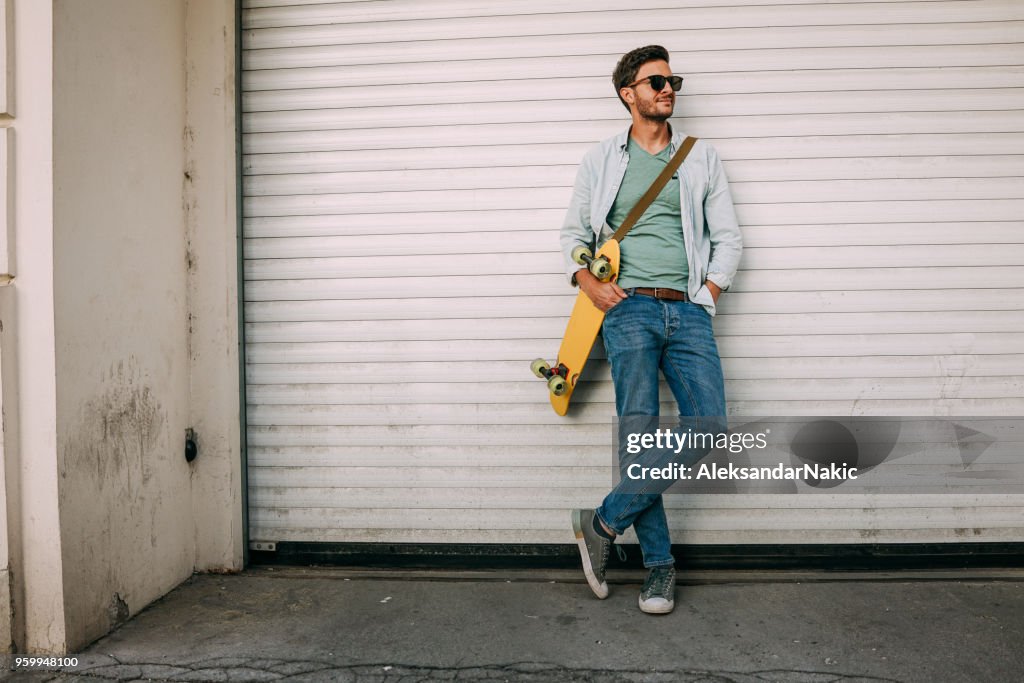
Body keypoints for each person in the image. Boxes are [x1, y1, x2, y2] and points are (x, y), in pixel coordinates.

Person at [561, 45, 743, 614]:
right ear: (628, 93)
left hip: (686, 311)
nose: (668, 89)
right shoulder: (600, 159)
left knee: (709, 431)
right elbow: (574, 232)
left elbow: (729, 237)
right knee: (638, 439)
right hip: (628, 308)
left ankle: (602, 522)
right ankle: (659, 569)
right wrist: (584, 278)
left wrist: (707, 296)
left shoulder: (701, 157)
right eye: (656, 80)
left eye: (673, 81)